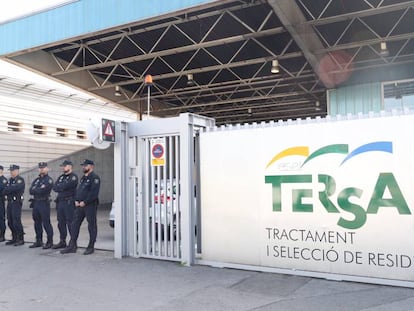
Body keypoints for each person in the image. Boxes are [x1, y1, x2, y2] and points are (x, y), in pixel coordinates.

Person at [61, 159, 100, 255]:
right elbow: (79, 191)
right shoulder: (83, 178)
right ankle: (72, 245)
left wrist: (85, 202)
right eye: (83, 165)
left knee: (91, 225)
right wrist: (76, 200)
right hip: (79, 205)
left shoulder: (95, 178)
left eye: (85, 165)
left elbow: (93, 193)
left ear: (91, 166)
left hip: (89, 205)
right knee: (74, 224)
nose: (84, 167)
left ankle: (91, 246)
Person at [52, 160, 78, 249]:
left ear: (70, 166)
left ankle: (73, 244)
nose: (63, 167)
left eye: (65, 166)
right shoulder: (61, 177)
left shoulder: (73, 177)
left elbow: (65, 186)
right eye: (62, 166)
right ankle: (62, 241)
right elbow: (55, 187)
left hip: (69, 202)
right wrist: (61, 187)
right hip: (61, 202)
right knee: (61, 223)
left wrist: (61, 187)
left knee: (70, 223)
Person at [29, 162, 54, 249]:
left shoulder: (49, 180)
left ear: (47, 169)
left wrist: (36, 189)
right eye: (40, 168)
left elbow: (42, 191)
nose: (41, 169)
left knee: (46, 223)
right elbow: (30, 191)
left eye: (43, 168)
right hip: (36, 203)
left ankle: (50, 241)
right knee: (37, 222)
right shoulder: (36, 180)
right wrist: (38, 189)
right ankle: (38, 241)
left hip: (44, 203)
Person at [3, 165, 25, 246]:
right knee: (10, 221)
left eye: (13, 170)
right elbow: (5, 190)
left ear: (17, 171)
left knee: (16, 220)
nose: (11, 172)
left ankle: (20, 238)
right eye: (11, 170)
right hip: (10, 202)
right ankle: (14, 237)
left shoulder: (20, 180)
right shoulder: (10, 180)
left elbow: (15, 188)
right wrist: (10, 189)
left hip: (16, 202)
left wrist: (9, 189)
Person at [0, 165, 8, 242]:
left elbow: (2, 190)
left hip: (0, 201)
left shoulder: (4, 180)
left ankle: (2, 235)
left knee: (1, 219)